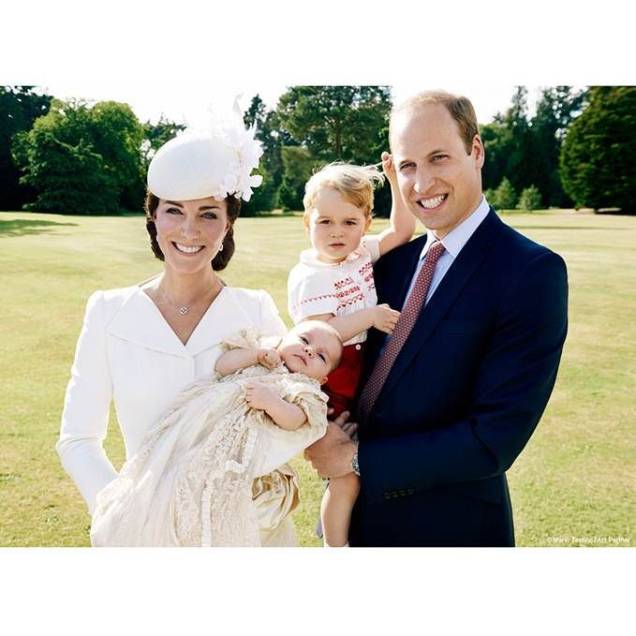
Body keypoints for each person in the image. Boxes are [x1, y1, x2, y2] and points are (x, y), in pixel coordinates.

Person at [305, 90, 569, 547]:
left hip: (448, 528)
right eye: (407, 166)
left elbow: (492, 438)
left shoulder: (531, 273)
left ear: (477, 151)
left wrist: (355, 459)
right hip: (357, 523)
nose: (422, 183)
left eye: (439, 158)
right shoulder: (389, 263)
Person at [57, 112, 302, 546]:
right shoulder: (109, 312)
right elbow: (78, 438)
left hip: (246, 538)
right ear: (153, 217)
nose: (189, 231)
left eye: (208, 214)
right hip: (144, 538)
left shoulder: (256, 310)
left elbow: (289, 423)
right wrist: (123, 514)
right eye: (174, 211)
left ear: (228, 223)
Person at [90, 321, 343, 546]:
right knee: (174, 469)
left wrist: (272, 403)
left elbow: (296, 420)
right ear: (285, 338)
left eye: (322, 356)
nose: (310, 350)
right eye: (304, 340)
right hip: (201, 423)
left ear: (323, 379)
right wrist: (254, 355)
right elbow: (223, 366)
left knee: (216, 486)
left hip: (236, 444)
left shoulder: (304, 389)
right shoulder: (262, 352)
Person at [287, 161, 415, 547]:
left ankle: (354, 531)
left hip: (359, 371)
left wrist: (395, 181)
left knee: (366, 463)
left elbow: (404, 231)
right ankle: (335, 546)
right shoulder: (311, 276)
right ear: (306, 222)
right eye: (324, 222)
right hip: (330, 380)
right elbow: (319, 339)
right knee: (345, 474)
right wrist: (370, 316)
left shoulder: (360, 253)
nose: (337, 232)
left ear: (365, 222)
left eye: (349, 222)